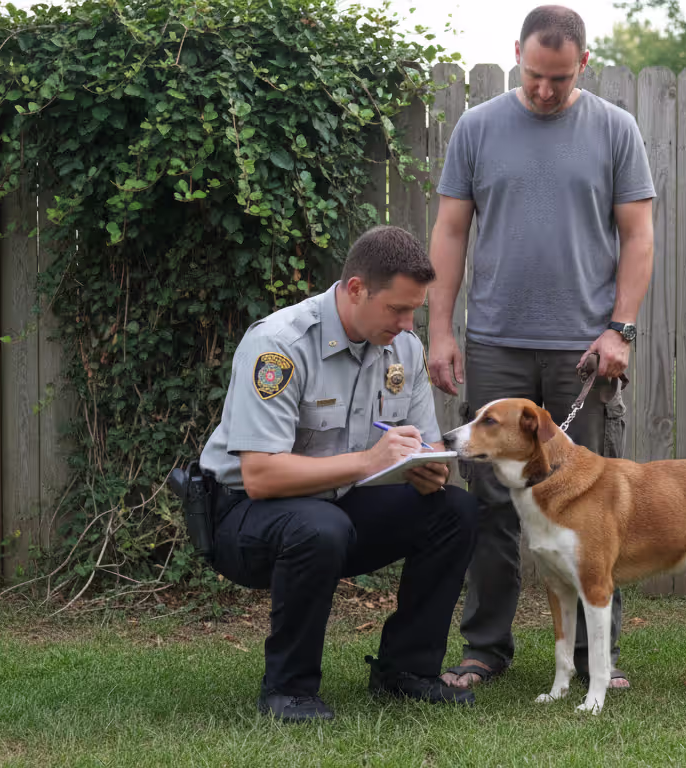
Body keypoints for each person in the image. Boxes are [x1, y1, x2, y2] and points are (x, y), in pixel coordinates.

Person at [425, 4, 656, 691]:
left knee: (592, 506)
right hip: (495, 339)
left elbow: (638, 236)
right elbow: (449, 230)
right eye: (534, 74)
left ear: (583, 63)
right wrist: (441, 329)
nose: (545, 90)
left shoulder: (616, 129)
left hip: (583, 349)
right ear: (517, 55)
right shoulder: (478, 126)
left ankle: (595, 662)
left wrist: (622, 326)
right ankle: (485, 649)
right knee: (492, 503)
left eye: (559, 77)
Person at [198, 225, 480, 723]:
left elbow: (425, 441)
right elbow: (260, 476)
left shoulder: (405, 349)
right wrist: (372, 460)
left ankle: (407, 672)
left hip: (338, 507)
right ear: (355, 290)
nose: (406, 322)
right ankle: (290, 691)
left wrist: (428, 466)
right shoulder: (279, 344)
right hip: (243, 516)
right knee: (319, 527)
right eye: (396, 308)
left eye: (413, 309)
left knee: (454, 510)